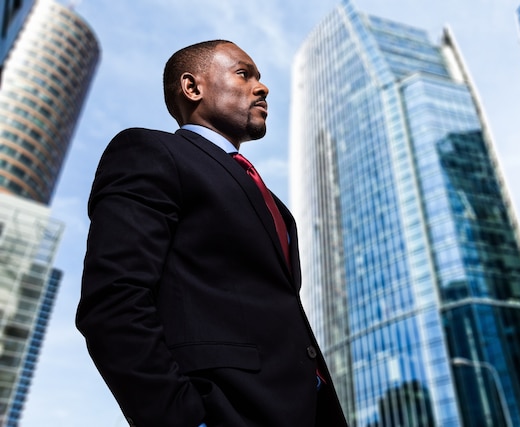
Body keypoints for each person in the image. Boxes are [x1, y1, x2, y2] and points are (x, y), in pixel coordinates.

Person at [76, 40, 348, 427]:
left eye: (260, 77)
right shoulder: (151, 152)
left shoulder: (274, 205)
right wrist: (184, 419)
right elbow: (114, 300)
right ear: (192, 87)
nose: (262, 87)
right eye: (244, 74)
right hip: (225, 411)